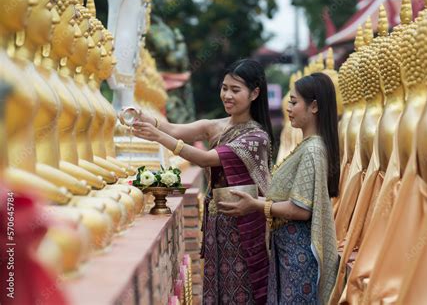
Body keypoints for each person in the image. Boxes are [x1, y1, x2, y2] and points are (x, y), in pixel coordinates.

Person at [132, 59, 274, 304]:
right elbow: (175, 129)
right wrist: (146, 118)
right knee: (216, 282)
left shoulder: (256, 137)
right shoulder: (216, 125)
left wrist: (158, 137)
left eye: (235, 90)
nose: (227, 95)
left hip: (244, 224)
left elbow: (206, 159)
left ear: (255, 93)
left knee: (242, 289)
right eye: (224, 88)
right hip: (217, 220)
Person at [219, 73, 340, 305]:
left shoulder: (313, 150)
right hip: (287, 248)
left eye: (294, 102)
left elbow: (300, 210)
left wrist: (255, 205)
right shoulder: (306, 146)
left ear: (314, 106)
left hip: (299, 254)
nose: (288, 107)